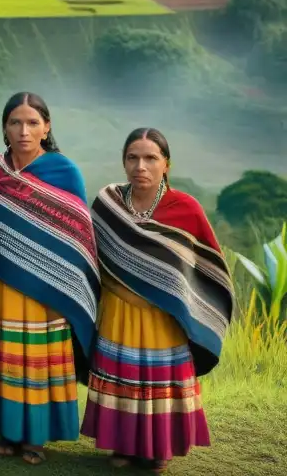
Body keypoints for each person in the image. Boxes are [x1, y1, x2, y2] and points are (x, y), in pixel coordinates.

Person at [81, 128, 234, 474]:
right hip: (117, 310)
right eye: (133, 157)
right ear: (123, 162)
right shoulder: (108, 203)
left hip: (163, 318)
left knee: (156, 379)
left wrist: (187, 304)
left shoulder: (186, 209)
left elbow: (209, 266)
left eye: (151, 158)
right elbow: (92, 253)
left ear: (166, 164)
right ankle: (122, 444)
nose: (141, 166)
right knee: (121, 373)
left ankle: (156, 448)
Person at [0, 92, 101, 466]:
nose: (24, 131)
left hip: (47, 287)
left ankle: (35, 435)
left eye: (32, 123)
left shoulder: (64, 171)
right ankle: (5, 430)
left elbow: (77, 239)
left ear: (47, 127)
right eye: (15, 122)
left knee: (36, 358)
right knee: (0, 354)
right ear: (5, 128)